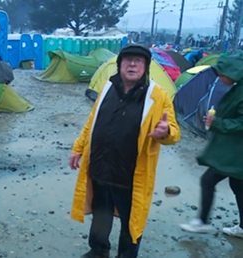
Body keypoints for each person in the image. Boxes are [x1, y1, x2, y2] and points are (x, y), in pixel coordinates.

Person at [68, 44, 181, 258]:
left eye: (138, 61)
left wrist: (165, 132)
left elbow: (174, 133)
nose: (132, 64)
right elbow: (91, 122)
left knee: (132, 223)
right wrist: (78, 148)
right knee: (101, 215)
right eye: (127, 60)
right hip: (101, 167)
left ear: (146, 67)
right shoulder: (107, 88)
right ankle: (99, 250)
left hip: (130, 174)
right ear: (119, 65)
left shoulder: (158, 95)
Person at [180, 53, 243, 238]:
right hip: (235, 148)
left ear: (233, 72)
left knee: (208, 180)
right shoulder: (238, 86)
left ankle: (202, 221)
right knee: (238, 185)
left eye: (222, 75)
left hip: (235, 151)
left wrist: (218, 123)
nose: (220, 79)